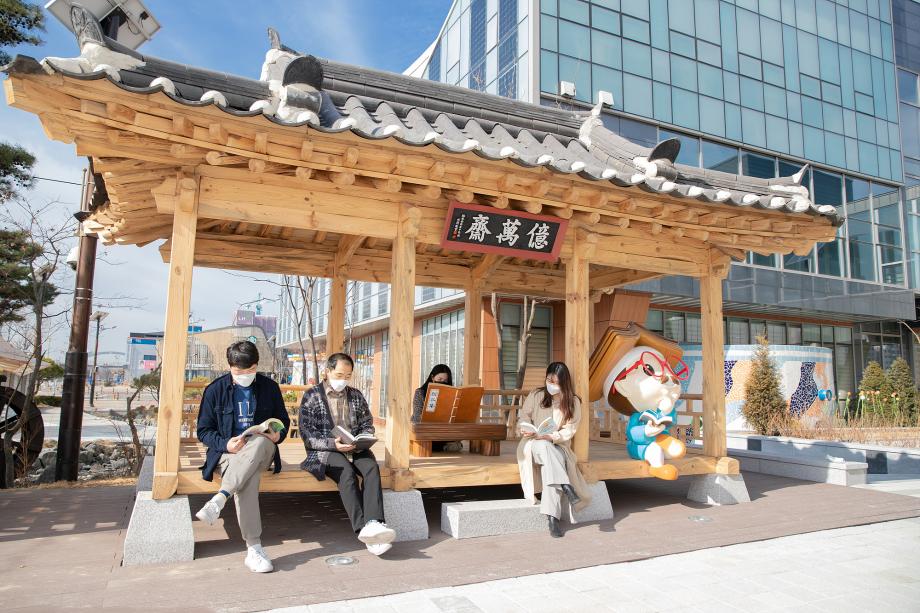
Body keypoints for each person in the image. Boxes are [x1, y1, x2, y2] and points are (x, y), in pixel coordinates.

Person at [194, 341, 290, 573]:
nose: (245, 375)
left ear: (257, 365)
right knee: (248, 479)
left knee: (259, 441)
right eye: (239, 371)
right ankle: (254, 548)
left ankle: (221, 497)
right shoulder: (215, 390)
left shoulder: (269, 387)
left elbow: (283, 421)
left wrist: (278, 434)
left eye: (251, 370)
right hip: (228, 454)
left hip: (263, 450)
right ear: (229, 366)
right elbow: (204, 431)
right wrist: (226, 444)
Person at [299, 352, 396, 555]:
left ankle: (375, 522)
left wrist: (363, 437)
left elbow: (367, 423)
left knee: (371, 468)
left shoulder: (356, 395)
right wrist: (332, 444)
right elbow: (307, 434)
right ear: (328, 371)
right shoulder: (312, 395)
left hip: (354, 447)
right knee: (346, 473)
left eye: (348, 376)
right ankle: (364, 530)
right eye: (339, 375)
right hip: (325, 450)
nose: (343, 380)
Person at [516, 361, 591, 538]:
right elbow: (523, 416)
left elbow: (570, 429)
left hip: (557, 447)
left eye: (556, 382)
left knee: (550, 463)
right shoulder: (536, 395)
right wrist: (525, 428)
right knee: (543, 446)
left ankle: (552, 519)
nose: (552, 385)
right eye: (549, 380)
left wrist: (552, 437)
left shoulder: (573, 401)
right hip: (532, 444)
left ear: (564, 383)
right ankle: (565, 485)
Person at [412, 364, 463, 453]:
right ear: (432, 378)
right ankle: (443, 446)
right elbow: (417, 417)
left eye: (445, 381)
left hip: (442, 428)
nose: (442, 382)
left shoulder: (451, 394)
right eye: (439, 379)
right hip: (425, 428)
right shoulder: (420, 392)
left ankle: (443, 445)